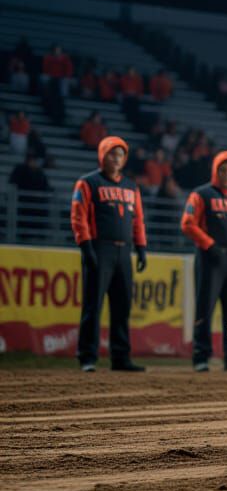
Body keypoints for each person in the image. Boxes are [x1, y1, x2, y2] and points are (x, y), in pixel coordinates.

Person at [70, 136, 148, 372]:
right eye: (112, 154)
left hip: (124, 251)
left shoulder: (131, 187)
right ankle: (87, 357)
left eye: (120, 155)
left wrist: (141, 247)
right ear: (102, 155)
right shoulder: (87, 183)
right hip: (99, 248)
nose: (116, 159)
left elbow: (138, 220)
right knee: (93, 305)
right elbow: (78, 216)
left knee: (122, 306)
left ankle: (121, 357)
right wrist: (85, 246)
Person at [180, 151, 227, 372]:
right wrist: (209, 245)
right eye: (223, 170)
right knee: (205, 309)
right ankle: (201, 357)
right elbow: (187, 223)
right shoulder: (201, 194)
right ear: (215, 171)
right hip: (209, 258)